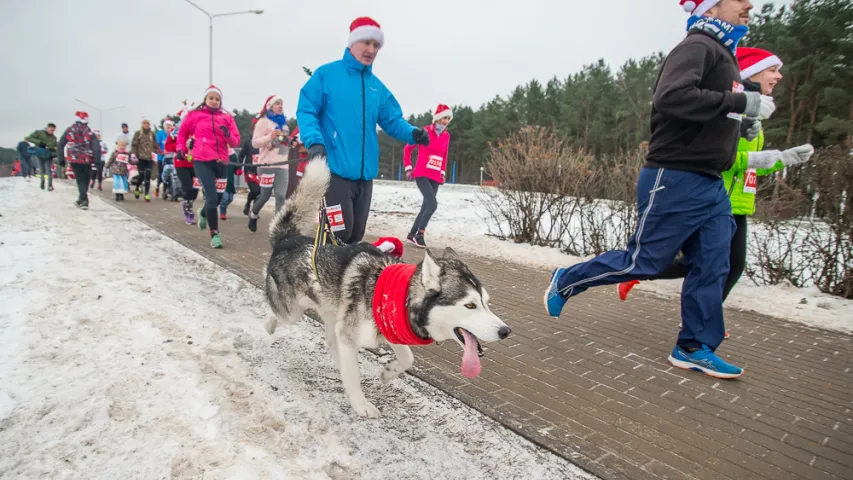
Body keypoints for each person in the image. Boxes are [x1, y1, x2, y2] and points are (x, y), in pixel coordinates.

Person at [543, 0, 778, 380]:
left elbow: (712, 113)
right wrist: (739, 102)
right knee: (645, 261)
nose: (749, 4)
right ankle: (568, 279)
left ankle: (692, 346)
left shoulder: (725, 55)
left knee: (715, 263)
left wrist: (740, 124)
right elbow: (671, 98)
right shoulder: (697, 47)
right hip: (676, 175)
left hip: (711, 181)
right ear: (713, 7)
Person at [617, 48, 815, 317]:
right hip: (712, 198)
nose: (779, 76)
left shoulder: (754, 117)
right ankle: (644, 278)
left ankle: (698, 319)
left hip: (738, 204)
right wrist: (766, 158)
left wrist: (784, 160)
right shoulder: (732, 111)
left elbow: (749, 168)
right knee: (711, 264)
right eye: (772, 70)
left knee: (727, 266)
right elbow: (719, 157)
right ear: (751, 73)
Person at [296, 16, 430, 245]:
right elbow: (306, 110)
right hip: (335, 170)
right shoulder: (327, 75)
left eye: (376, 45)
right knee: (337, 235)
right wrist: (314, 141)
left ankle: (341, 280)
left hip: (365, 175)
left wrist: (412, 133)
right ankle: (322, 278)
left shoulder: (376, 86)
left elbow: (392, 120)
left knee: (356, 235)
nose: (371, 49)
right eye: (366, 43)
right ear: (352, 43)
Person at [176, 85, 241, 249]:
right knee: (211, 197)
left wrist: (227, 133)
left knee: (219, 198)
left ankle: (203, 213)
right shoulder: (195, 116)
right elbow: (182, 133)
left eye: (217, 99)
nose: (214, 101)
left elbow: (235, 141)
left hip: (221, 162)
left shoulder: (226, 118)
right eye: (211, 98)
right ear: (205, 100)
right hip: (202, 160)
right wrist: (180, 149)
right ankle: (215, 234)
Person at [403, 104, 453, 248]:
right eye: (444, 117)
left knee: (426, 206)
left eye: (448, 118)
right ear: (437, 118)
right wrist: (408, 168)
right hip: (421, 173)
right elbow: (407, 149)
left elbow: (444, 155)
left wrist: (442, 172)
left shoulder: (446, 136)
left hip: (435, 176)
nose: (446, 121)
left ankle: (411, 235)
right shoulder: (424, 132)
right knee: (432, 204)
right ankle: (420, 235)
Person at [247, 95, 290, 233]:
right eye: (277, 103)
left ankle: (278, 229)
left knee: (280, 196)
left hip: (283, 165)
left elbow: (284, 142)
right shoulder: (263, 122)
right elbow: (254, 143)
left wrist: (291, 142)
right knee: (265, 196)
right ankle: (253, 213)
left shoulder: (284, 124)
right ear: (270, 106)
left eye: (282, 103)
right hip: (267, 165)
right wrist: (270, 137)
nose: (280, 106)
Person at [57, 111, 101, 209]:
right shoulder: (89, 131)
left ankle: (82, 199)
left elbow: (60, 144)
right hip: (87, 159)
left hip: (74, 158)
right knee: (86, 179)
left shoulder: (69, 130)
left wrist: (61, 158)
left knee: (80, 179)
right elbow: (96, 146)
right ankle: (83, 199)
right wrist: (97, 160)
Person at [131, 117, 162, 201]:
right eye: (144, 123)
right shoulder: (138, 134)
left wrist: (155, 154)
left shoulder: (152, 134)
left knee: (148, 176)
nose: (146, 125)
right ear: (142, 124)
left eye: (147, 123)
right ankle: (137, 187)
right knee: (141, 175)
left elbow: (155, 146)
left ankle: (146, 194)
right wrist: (134, 154)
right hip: (140, 158)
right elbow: (134, 145)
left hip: (149, 158)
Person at [24, 122, 58, 190]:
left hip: (49, 155)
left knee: (49, 170)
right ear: (47, 128)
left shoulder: (54, 137)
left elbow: (55, 146)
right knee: (42, 169)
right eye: (51, 130)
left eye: (53, 130)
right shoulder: (39, 133)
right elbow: (28, 138)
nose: (51, 132)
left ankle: (50, 185)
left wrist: (55, 150)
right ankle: (42, 182)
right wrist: (39, 142)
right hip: (39, 153)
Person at [237, 134, 260, 216]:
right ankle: (248, 204)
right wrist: (239, 167)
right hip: (250, 170)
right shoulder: (248, 141)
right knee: (255, 190)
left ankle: (254, 210)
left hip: (261, 171)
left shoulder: (266, 141)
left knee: (260, 192)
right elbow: (241, 154)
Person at [219, 148, 242, 220]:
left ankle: (223, 206)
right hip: (221, 179)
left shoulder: (233, 156)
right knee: (225, 198)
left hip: (230, 181)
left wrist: (238, 171)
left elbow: (236, 167)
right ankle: (222, 212)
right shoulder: (219, 154)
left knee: (230, 199)